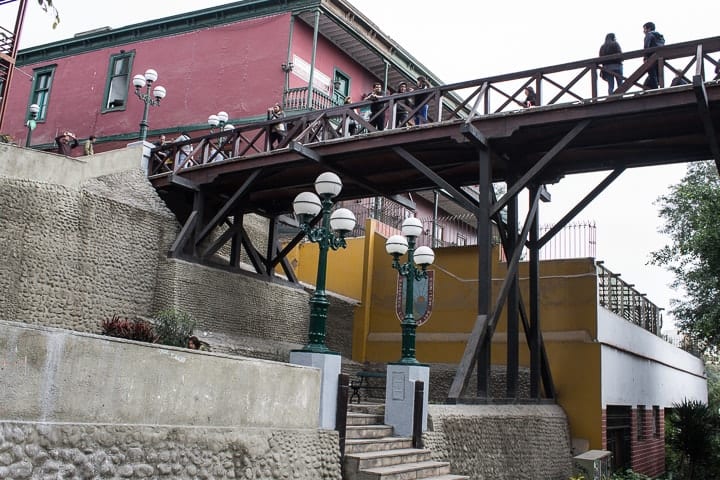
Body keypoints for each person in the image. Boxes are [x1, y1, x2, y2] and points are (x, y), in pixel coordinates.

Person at [642, 22, 665, 89]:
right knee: (658, 75)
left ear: (649, 29)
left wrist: (645, 58)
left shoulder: (649, 35)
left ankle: (655, 89)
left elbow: (646, 47)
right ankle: (658, 88)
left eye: (644, 29)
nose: (643, 31)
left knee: (652, 75)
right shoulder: (661, 37)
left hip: (651, 58)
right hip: (660, 58)